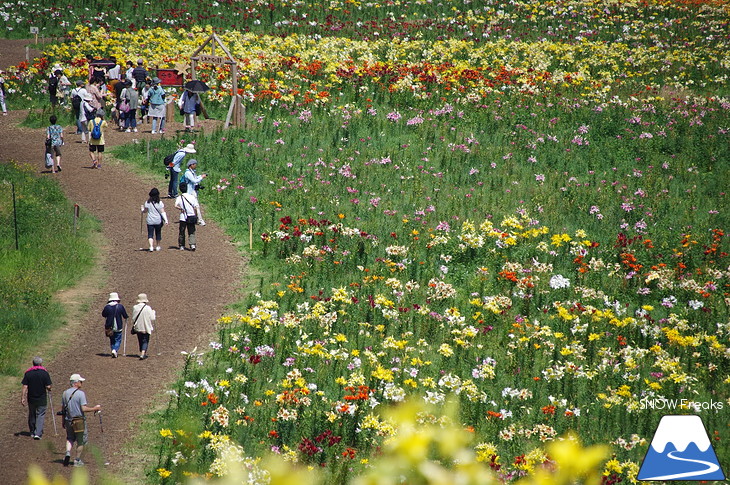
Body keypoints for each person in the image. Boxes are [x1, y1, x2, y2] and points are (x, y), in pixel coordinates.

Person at [61, 374, 101, 467]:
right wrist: (94, 408)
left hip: (68, 420)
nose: (81, 383)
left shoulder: (64, 393)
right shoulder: (80, 394)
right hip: (79, 421)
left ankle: (67, 452)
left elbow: (63, 409)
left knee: (70, 438)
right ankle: (77, 460)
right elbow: (83, 409)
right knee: (81, 440)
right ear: (75, 383)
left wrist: (63, 421)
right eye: (80, 381)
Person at [21, 357, 52, 440]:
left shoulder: (28, 373)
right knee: (40, 414)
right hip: (41, 398)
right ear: (40, 364)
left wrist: (22, 397)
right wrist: (49, 389)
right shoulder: (44, 373)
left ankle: (32, 431)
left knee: (32, 414)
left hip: (31, 398)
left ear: (33, 363)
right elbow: (48, 386)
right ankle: (38, 433)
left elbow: (25, 386)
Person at [175, 182, 201, 251]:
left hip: (183, 217)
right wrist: (196, 215)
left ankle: (181, 245)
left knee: (182, 232)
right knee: (191, 231)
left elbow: (175, 205)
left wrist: (181, 208)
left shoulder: (179, 197)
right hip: (191, 216)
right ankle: (192, 245)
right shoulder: (192, 197)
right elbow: (195, 207)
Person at [101, 292, 128, 358]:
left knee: (112, 339)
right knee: (118, 339)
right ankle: (115, 350)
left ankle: (113, 349)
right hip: (118, 326)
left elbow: (103, 315)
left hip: (109, 326)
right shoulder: (120, 306)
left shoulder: (107, 307)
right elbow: (125, 316)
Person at [182, 159, 207, 225]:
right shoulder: (188, 173)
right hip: (190, 192)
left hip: (193, 191)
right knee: (196, 206)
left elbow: (195, 178)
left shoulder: (192, 172)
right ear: (191, 165)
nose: (195, 165)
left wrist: (201, 176)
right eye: (194, 164)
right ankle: (200, 220)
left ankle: (195, 219)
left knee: (194, 206)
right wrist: (201, 178)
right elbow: (194, 181)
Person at [131, 293, 156, 360]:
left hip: (138, 327)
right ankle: (143, 353)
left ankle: (142, 351)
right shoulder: (148, 308)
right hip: (146, 327)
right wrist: (153, 312)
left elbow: (133, 318)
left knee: (140, 339)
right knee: (145, 340)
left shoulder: (135, 307)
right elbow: (152, 318)